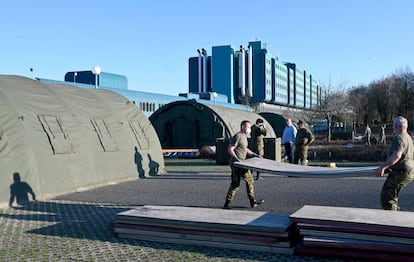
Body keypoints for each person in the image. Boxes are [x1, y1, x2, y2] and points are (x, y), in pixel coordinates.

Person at [375, 116, 414, 211]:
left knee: (387, 196)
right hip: (409, 170)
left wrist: (383, 166)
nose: (393, 128)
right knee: (392, 194)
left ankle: (393, 219)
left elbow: (397, 156)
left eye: (393, 126)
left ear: (396, 126)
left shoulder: (399, 138)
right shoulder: (408, 138)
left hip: (401, 171)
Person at [223, 120, 263, 209]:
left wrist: (253, 154)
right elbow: (230, 148)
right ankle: (252, 202)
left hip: (241, 164)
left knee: (237, 184)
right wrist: (235, 158)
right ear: (242, 127)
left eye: (249, 127)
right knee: (247, 181)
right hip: (238, 164)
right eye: (248, 127)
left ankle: (227, 204)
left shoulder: (244, 136)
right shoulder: (238, 136)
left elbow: (244, 149)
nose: (249, 129)